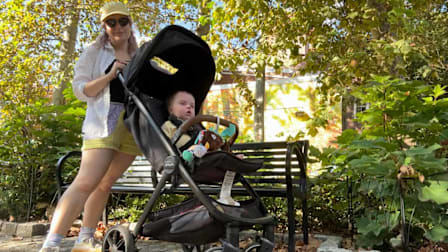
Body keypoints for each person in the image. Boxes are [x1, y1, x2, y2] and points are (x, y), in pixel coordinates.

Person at [40, 2, 140, 252]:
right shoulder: (95, 52)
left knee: (105, 183)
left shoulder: (140, 54)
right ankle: (51, 244)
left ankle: (85, 238)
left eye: (122, 21)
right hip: (103, 122)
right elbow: (80, 90)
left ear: (130, 23)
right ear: (105, 27)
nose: (118, 27)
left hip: (132, 126)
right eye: (111, 22)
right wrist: (110, 74)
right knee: (85, 182)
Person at [161, 90, 241, 206]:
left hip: (204, 154)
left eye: (192, 106)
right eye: (183, 104)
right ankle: (227, 159)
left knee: (215, 143)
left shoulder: (196, 127)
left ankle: (230, 160)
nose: (188, 106)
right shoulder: (168, 126)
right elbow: (167, 143)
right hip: (187, 159)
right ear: (171, 110)